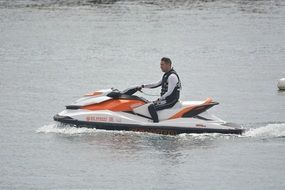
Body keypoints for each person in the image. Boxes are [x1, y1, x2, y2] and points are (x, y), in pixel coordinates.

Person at [139, 57, 181, 122]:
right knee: (147, 104)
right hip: (166, 100)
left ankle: (156, 123)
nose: (160, 67)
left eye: (162, 65)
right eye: (160, 65)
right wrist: (143, 86)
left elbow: (169, 92)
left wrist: (160, 99)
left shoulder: (172, 76)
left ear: (168, 65)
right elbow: (156, 84)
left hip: (171, 101)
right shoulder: (166, 75)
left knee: (151, 107)